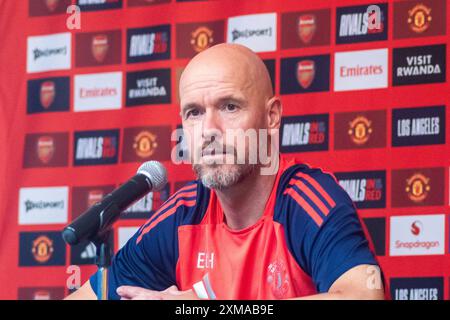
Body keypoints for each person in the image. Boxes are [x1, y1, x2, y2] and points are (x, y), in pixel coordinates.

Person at [66, 43, 384, 300]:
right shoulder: (184, 214)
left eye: (230, 107)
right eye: (194, 113)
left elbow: (365, 296)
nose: (209, 130)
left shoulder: (307, 201)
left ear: (271, 116)